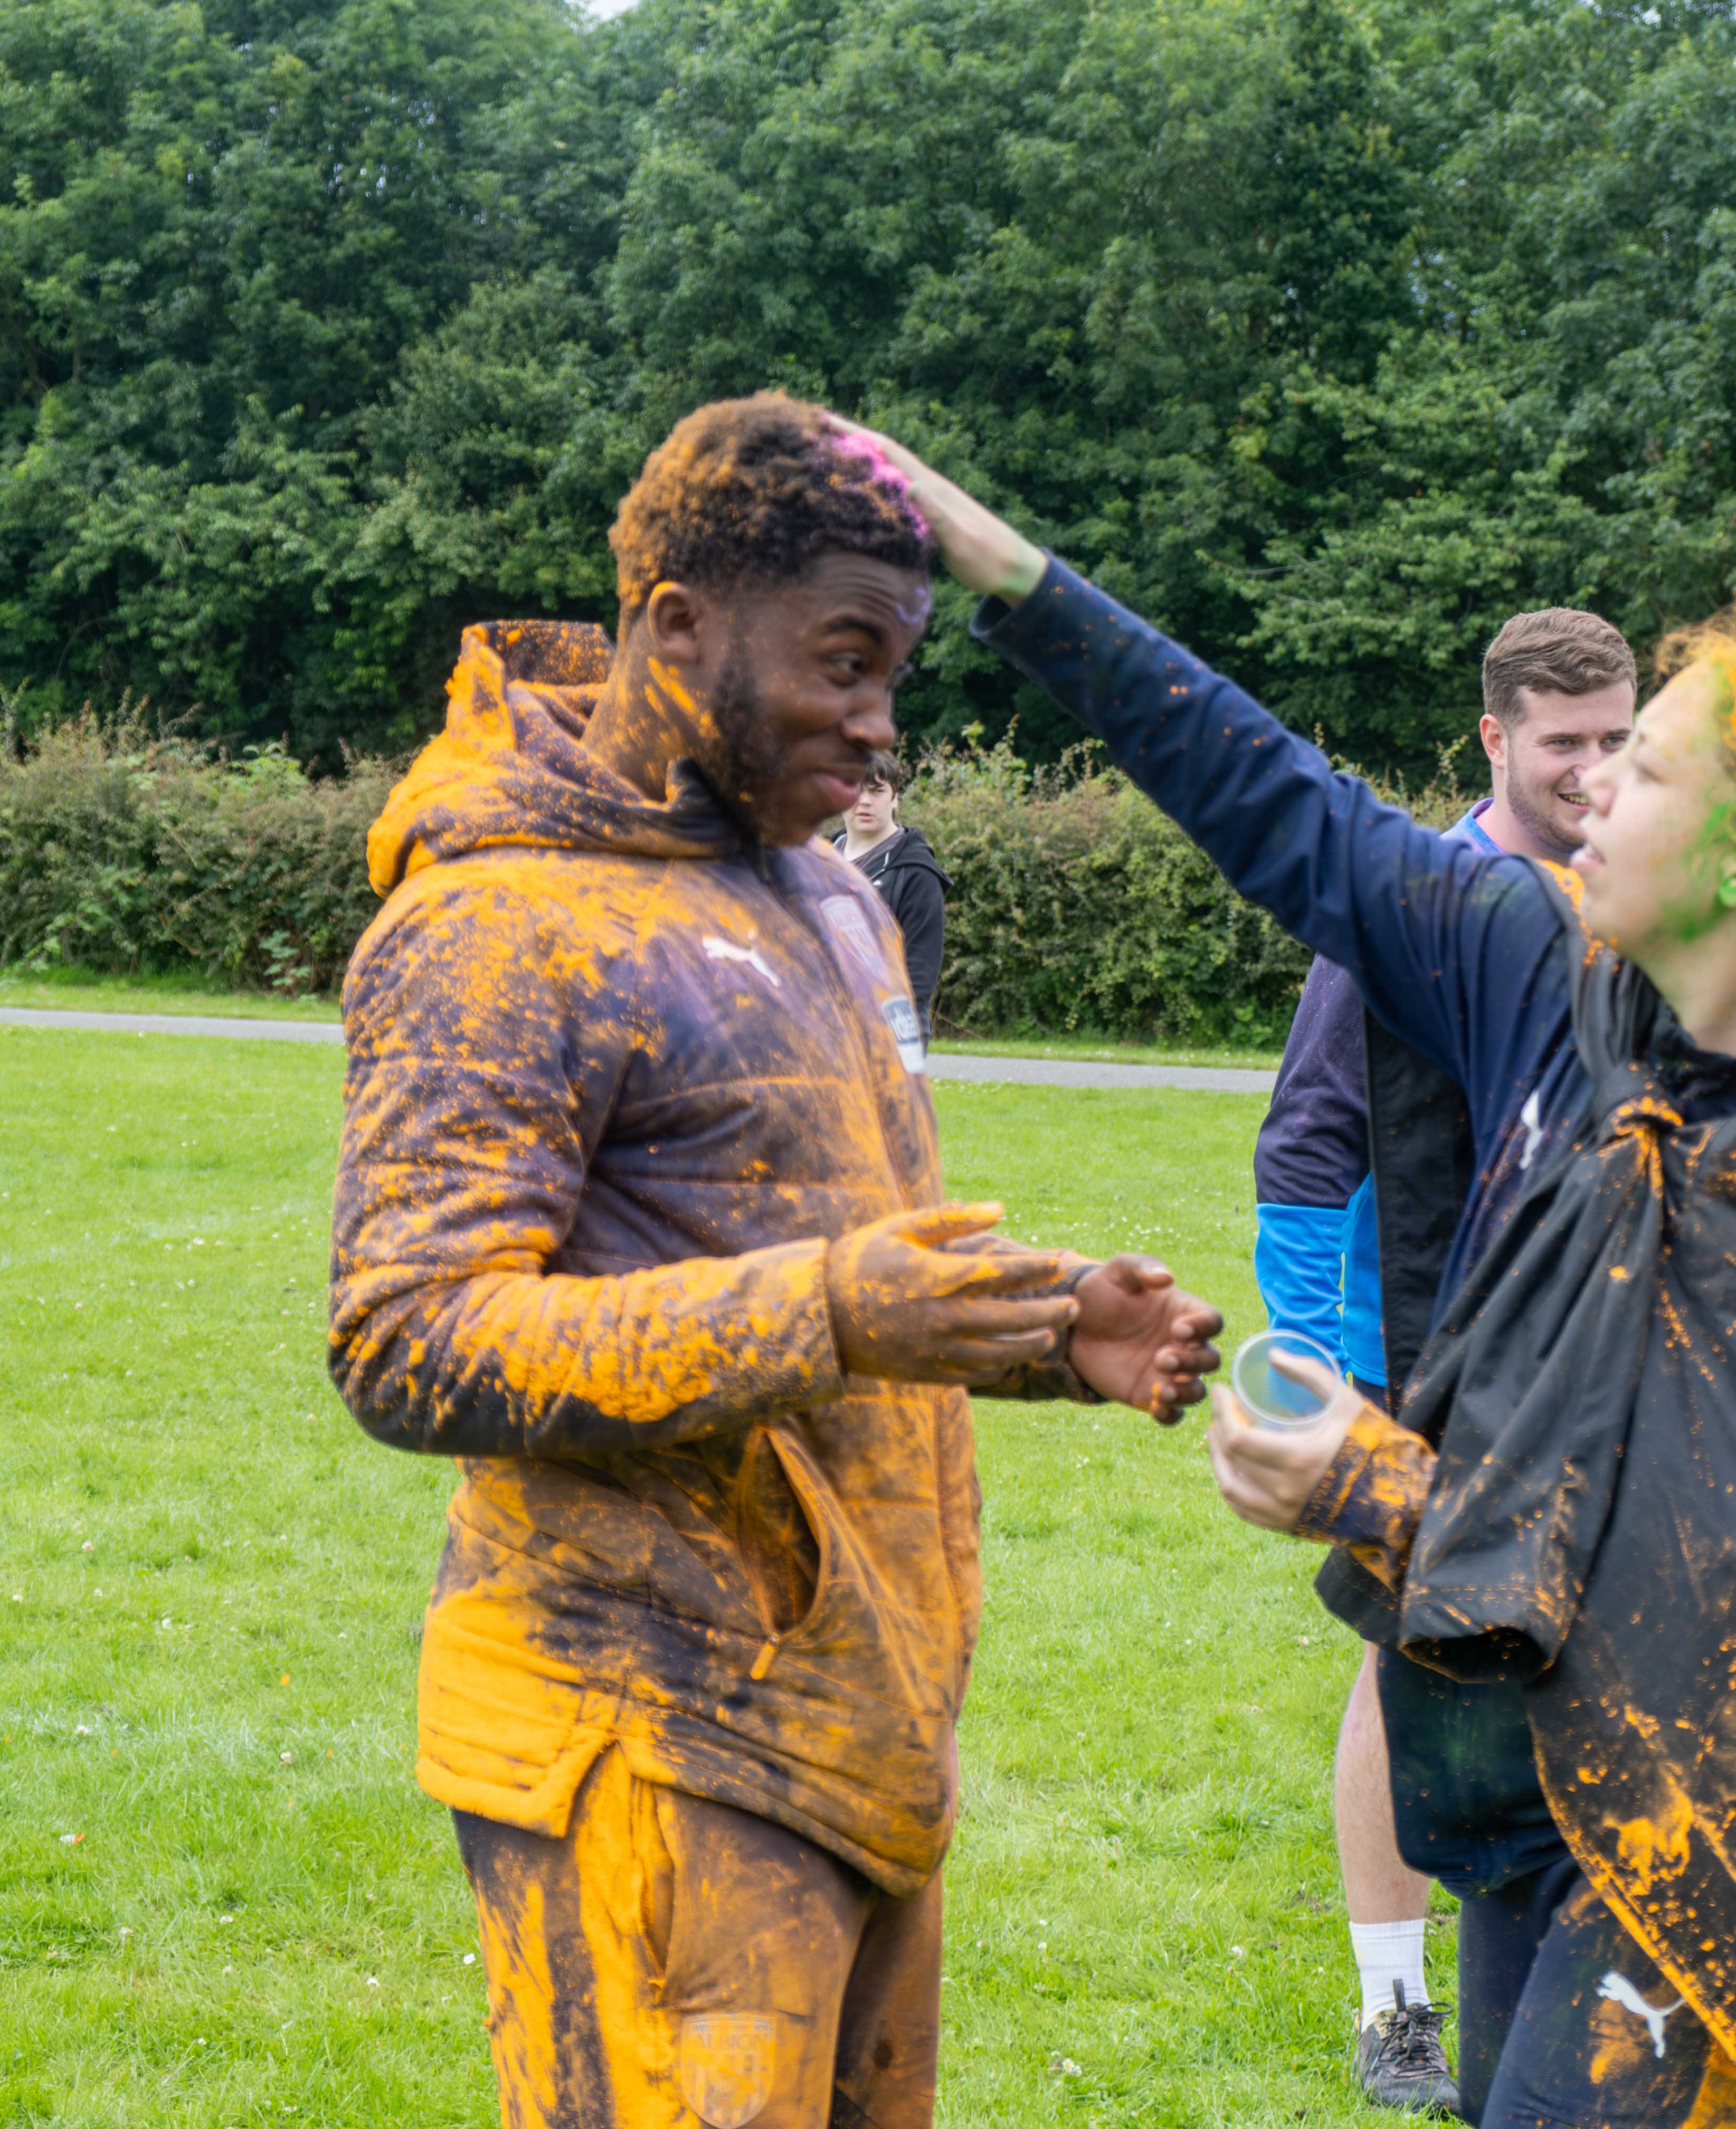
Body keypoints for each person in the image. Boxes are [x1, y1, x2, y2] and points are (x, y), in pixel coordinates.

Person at [855, 419, 1736, 2129]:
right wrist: (1012, 573)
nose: (1586, 790)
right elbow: (1297, 817)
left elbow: (1735, 1561)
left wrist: (1377, 1481)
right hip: (1535, 1756)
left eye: (1640, 770)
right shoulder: (1553, 974)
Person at [327, 393, 1221, 2129]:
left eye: (896, 672)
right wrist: (828, 1312)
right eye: (843, 663)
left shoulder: (833, 899)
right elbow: (407, 1336)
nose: (881, 728)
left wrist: (1045, 1330)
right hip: (639, 1730)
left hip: (860, 1721)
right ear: (676, 626)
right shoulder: (501, 920)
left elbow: (829, 1263)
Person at [1251, 610, 1636, 2112]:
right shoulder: (1421, 899)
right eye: (1565, 746)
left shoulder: (1639, 888)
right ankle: (1397, 2007)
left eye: (1619, 740)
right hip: (1416, 1363)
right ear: (1493, 738)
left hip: (1587, 1375)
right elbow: (1306, 1146)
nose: (1595, 771)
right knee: (1411, 1659)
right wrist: (1331, 1380)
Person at [841, 749, 947, 1022]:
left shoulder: (917, 872)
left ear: (895, 799)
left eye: (877, 792)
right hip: (828, 1025)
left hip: (889, 1027)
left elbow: (920, 971)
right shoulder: (819, 861)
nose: (864, 801)